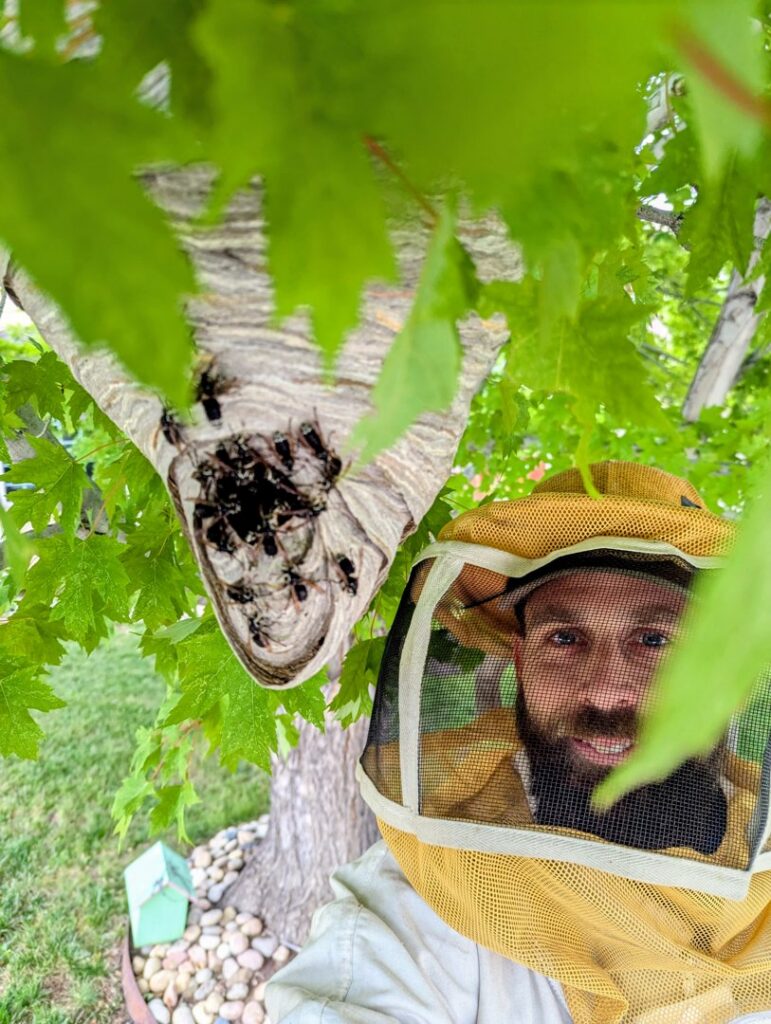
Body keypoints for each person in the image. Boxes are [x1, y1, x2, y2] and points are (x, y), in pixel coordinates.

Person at [266, 462, 771, 1024]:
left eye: (655, 639)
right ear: (522, 658)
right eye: (564, 636)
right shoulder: (431, 879)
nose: (605, 690)